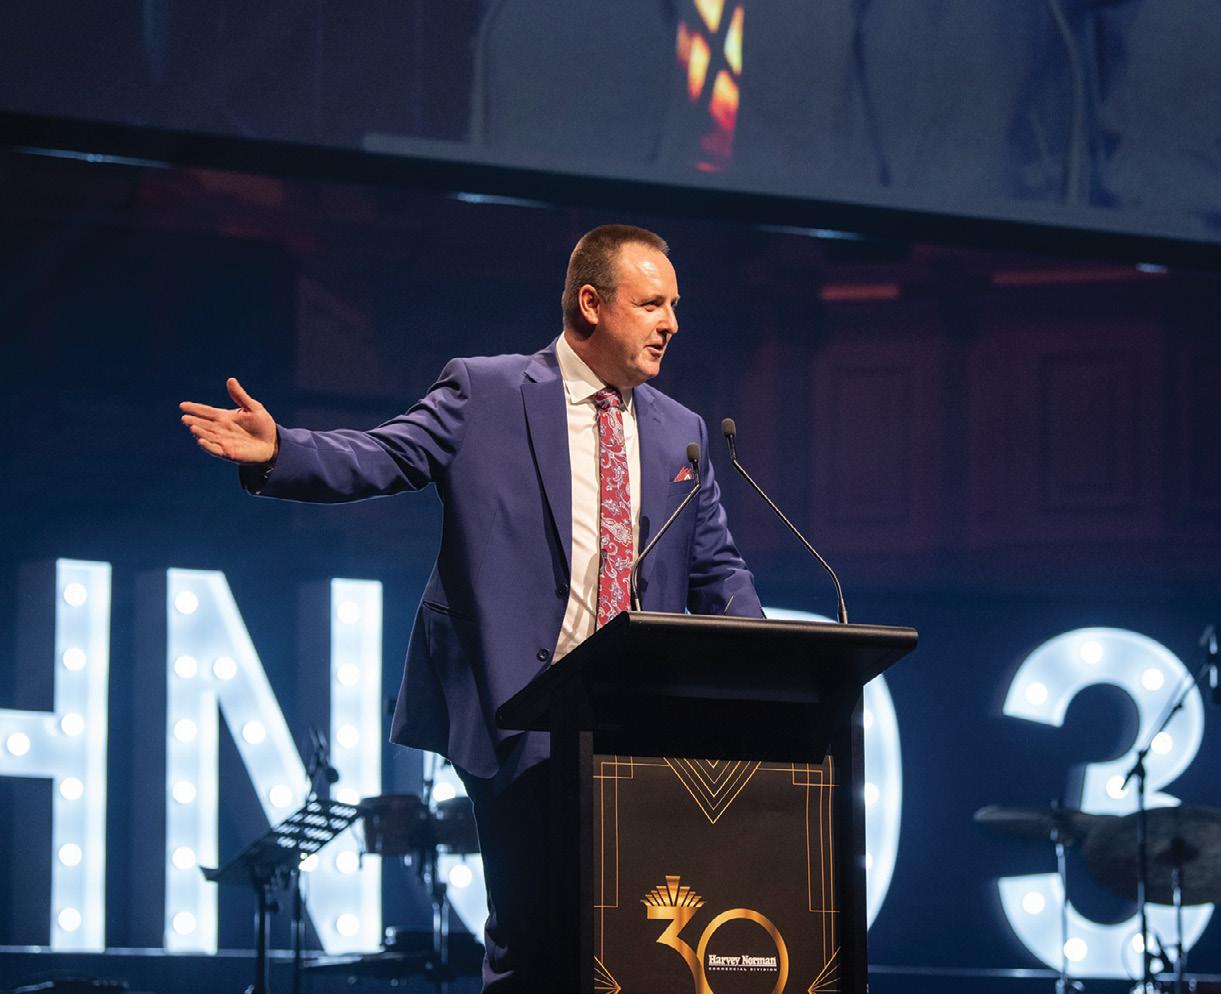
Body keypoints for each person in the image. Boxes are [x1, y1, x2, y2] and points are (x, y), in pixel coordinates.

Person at [179, 223, 763, 991]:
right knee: (534, 938)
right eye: (652, 304)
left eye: (675, 305)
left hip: (637, 723)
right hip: (522, 713)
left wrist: (771, 670)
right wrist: (282, 450)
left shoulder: (680, 431)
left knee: (633, 940)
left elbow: (715, 567)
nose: (672, 324)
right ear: (591, 304)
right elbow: (384, 455)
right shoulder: (486, 392)